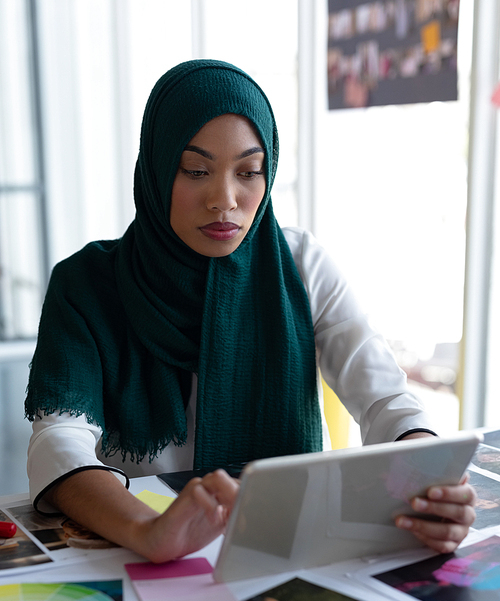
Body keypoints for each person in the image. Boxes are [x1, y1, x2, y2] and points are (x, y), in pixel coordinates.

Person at [25, 59, 476, 563]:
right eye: (196, 170)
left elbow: (385, 401)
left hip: (283, 547)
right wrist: (150, 530)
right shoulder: (86, 284)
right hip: (135, 551)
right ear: (156, 167)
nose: (225, 200)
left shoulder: (300, 265)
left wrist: (431, 484)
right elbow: (59, 440)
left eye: (249, 172)